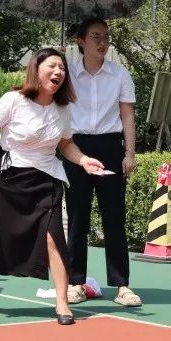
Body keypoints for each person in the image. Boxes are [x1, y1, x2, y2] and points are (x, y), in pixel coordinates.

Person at [0, 48, 106, 326]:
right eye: (52, 66)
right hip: (11, 177)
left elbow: (66, 144)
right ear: (36, 69)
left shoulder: (63, 109)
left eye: (62, 68)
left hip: (47, 179)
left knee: (54, 238)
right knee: (2, 237)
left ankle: (62, 302)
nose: (58, 72)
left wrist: (83, 160)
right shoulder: (13, 100)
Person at [64, 18, 141, 307]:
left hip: (110, 147)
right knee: (77, 218)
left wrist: (129, 154)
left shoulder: (119, 74)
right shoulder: (67, 74)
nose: (103, 42)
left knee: (114, 218)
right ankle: (75, 282)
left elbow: (127, 115)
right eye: (95, 37)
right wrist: (54, 63)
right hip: (76, 148)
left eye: (106, 37)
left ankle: (122, 285)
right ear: (80, 41)